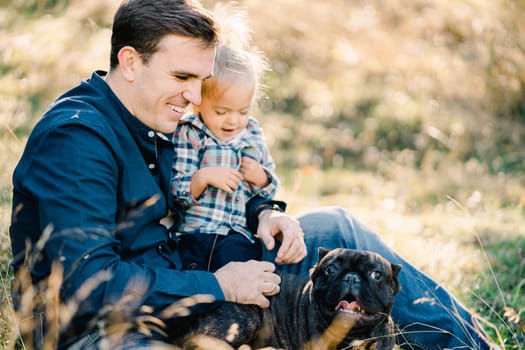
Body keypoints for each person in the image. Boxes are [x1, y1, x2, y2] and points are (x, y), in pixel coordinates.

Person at [8, 0, 492, 349]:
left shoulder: (157, 113)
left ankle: (469, 347)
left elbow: (206, 193)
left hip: (193, 268)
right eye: (182, 78)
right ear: (130, 62)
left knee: (336, 226)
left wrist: (263, 212)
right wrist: (221, 286)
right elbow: (85, 285)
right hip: (105, 331)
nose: (195, 99)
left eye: (201, 81)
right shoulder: (75, 141)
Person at [171, 11, 279, 272]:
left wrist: (261, 177)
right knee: (199, 287)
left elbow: (269, 192)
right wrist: (204, 177)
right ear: (199, 104)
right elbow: (177, 191)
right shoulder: (190, 132)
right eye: (221, 112)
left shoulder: (251, 132)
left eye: (243, 111)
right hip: (196, 235)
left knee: (247, 279)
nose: (233, 121)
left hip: (237, 235)